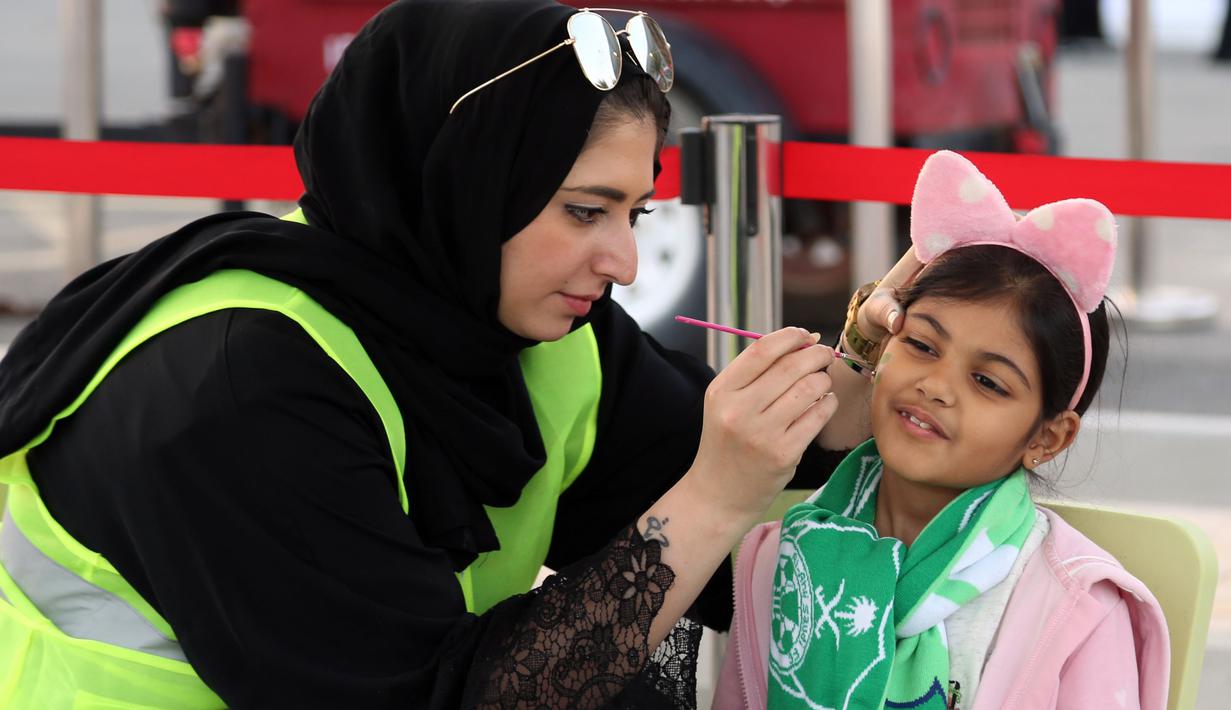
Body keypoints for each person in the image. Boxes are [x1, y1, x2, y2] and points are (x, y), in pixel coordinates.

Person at [0, 1, 893, 708]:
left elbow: (751, 490)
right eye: (584, 211)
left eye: (636, 214)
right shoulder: (240, 389)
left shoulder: (508, 315)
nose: (621, 262)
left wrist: (887, 368)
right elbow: (449, 692)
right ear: (461, 183)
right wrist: (710, 500)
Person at [713, 151, 1171, 710]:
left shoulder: (1077, 609)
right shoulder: (780, 556)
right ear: (881, 349)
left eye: (988, 382)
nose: (937, 386)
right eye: (922, 346)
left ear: (1045, 438)